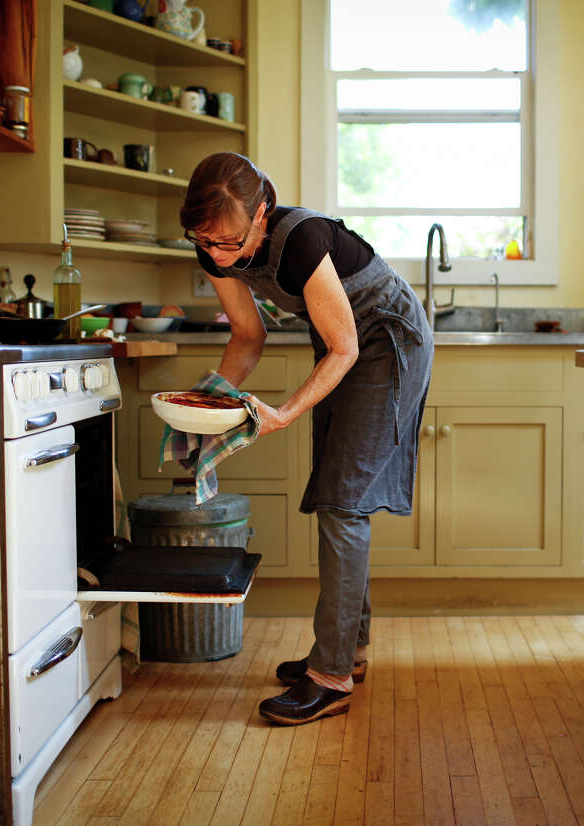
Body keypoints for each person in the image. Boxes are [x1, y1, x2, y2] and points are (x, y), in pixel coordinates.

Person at [179, 152, 433, 725]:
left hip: (388, 345)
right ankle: (350, 650)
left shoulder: (301, 240)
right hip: (341, 348)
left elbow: (348, 346)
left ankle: (332, 677)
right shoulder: (213, 243)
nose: (217, 254)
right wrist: (212, 398)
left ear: (262, 212)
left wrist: (285, 412)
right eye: (205, 241)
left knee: (342, 501)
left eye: (230, 241)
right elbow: (247, 336)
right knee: (337, 497)